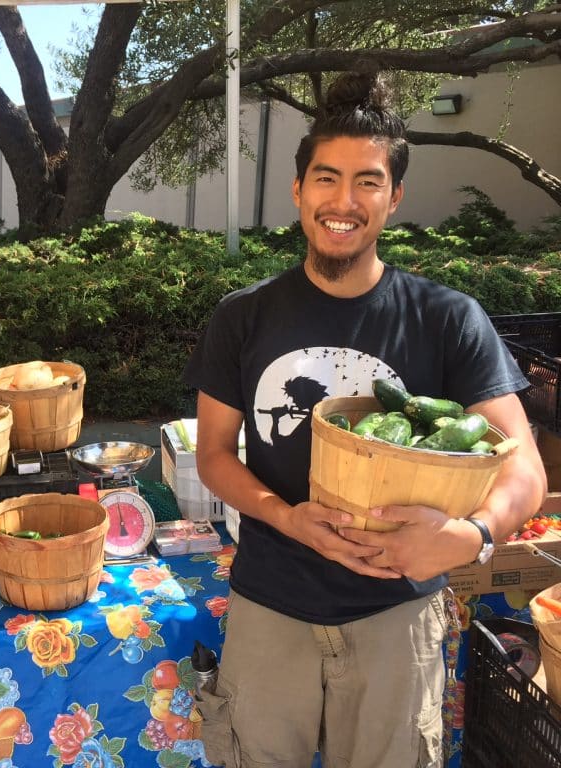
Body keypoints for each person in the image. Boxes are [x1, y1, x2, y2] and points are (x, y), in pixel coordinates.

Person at [183, 71, 547, 768]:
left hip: (397, 616)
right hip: (270, 605)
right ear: (298, 190)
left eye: (368, 182)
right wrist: (287, 518)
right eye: (326, 178)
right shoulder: (243, 316)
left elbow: (523, 468)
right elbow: (215, 456)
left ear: (394, 197)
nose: (343, 202)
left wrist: (470, 537)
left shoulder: (448, 319)